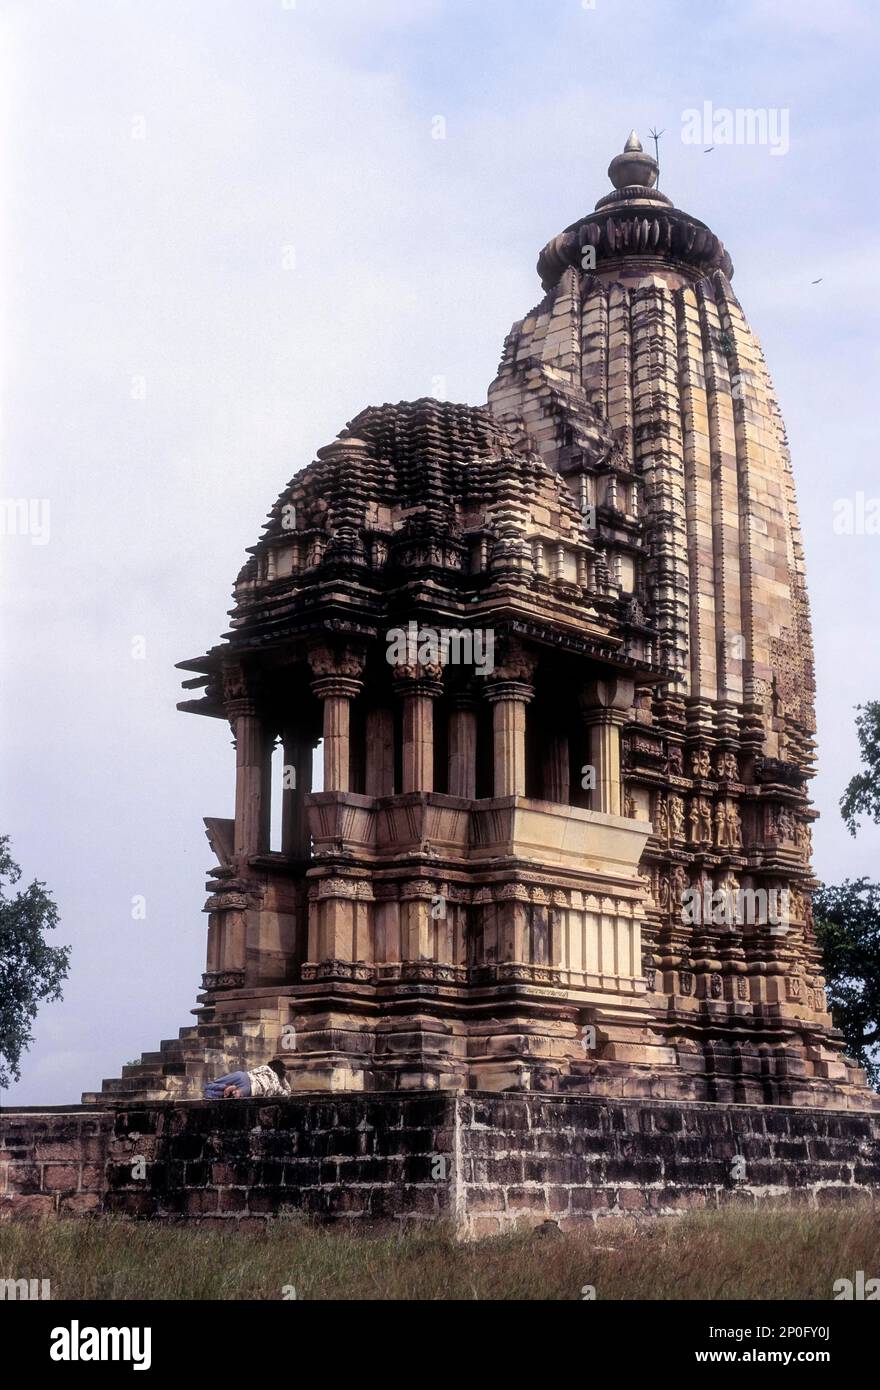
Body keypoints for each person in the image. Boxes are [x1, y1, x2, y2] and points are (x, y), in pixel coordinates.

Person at [203, 1058, 290, 1100]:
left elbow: (252, 1072)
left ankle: (226, 1086)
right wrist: (283, 1078)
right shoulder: (277, 1087)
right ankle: (235, 1090)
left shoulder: (266, 1068)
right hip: (251, 1089)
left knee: (208, 1086)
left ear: (272, 1066)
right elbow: (288, 1092)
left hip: (243, 1076)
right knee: (212, 1096)